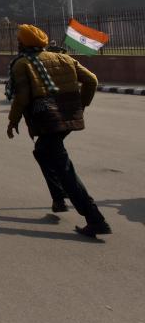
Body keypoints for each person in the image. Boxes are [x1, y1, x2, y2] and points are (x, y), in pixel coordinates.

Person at [6, 24, 110, 238]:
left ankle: (95, 218)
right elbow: (92, 80)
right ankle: (59, 197)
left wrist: (12, 120)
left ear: (23, 43)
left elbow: (23, 97)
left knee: (63, 168)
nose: (17, 43)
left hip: (47, 120)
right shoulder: (63, 58)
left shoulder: (22, 64)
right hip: (67, 117)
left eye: (19, 40)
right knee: (42, 151)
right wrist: (82, 104)